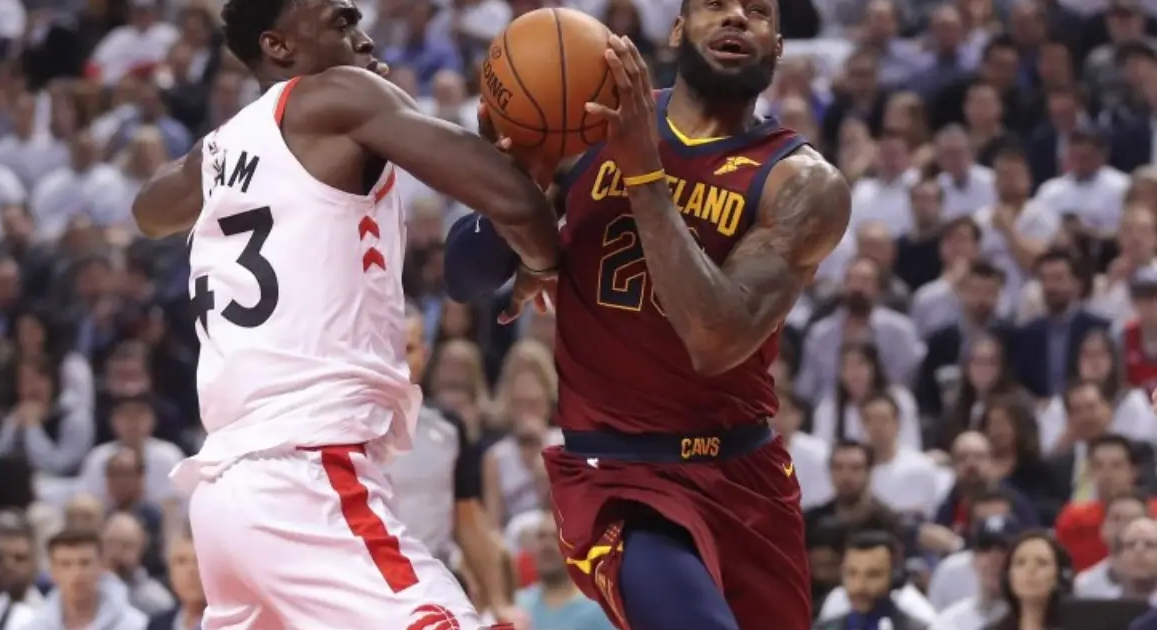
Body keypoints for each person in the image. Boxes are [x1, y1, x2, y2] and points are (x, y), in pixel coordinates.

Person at [128, 0, 564, 628]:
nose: (364, 38)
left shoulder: (221, 151)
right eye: (340, 23)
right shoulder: (341, 96)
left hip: (224, 495)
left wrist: (213, 160)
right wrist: (542, 260)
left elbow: (148, 211)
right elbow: (514, 200)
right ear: (279, 46)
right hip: (307, 473)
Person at [448, 0, 850, 628]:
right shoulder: (586, 121)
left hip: (744, 474)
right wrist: (515, 191)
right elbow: (463, 276)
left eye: (758, 11)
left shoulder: (800, 184)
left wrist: (643, 172)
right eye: (715, 4)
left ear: (778, 45)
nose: (736, 17)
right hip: (618, 476)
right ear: (677, 28)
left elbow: (715, 339)